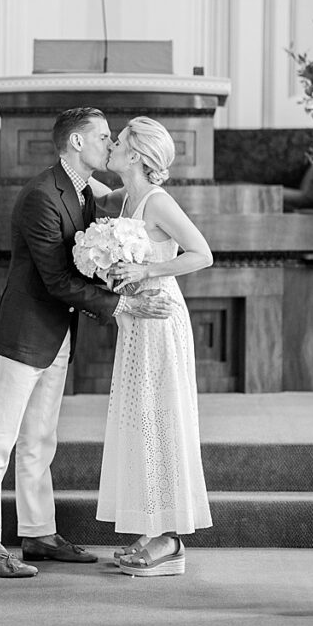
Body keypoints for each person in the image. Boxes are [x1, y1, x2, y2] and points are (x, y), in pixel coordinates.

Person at [0, 107, 176, 579]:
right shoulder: (42, 195)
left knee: (40, 439)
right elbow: (58, 279)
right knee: (0, 438)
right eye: (103, 136)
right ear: (77, 143)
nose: (110, 143)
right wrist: (123, 307)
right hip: (27, 333)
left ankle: (38, 533)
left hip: (58, 332)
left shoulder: (82, 192)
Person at [98, 116, 213, 577]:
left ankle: (171, 537)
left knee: (161, 416)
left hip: (161, 318)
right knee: (140, 420)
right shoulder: (125, 198)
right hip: (135, 322)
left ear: (138, 156)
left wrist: (147, 272)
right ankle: (152, 526)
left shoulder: (158, 202)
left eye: (119, 140)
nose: (112, 144)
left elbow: (202, 253)